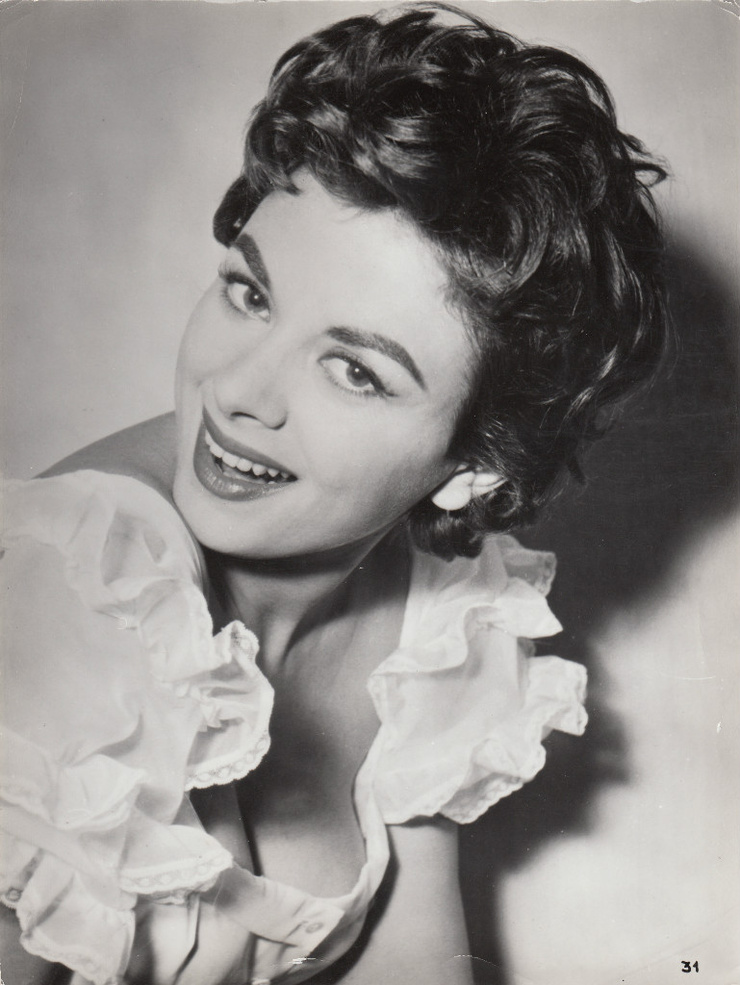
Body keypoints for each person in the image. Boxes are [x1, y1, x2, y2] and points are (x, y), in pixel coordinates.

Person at [0, 4, 667, 983]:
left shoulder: (440, 617)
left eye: (354, 370)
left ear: (476, 465)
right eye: (251, 293)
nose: (239, 391)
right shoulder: (67, 610)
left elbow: (412, 962)